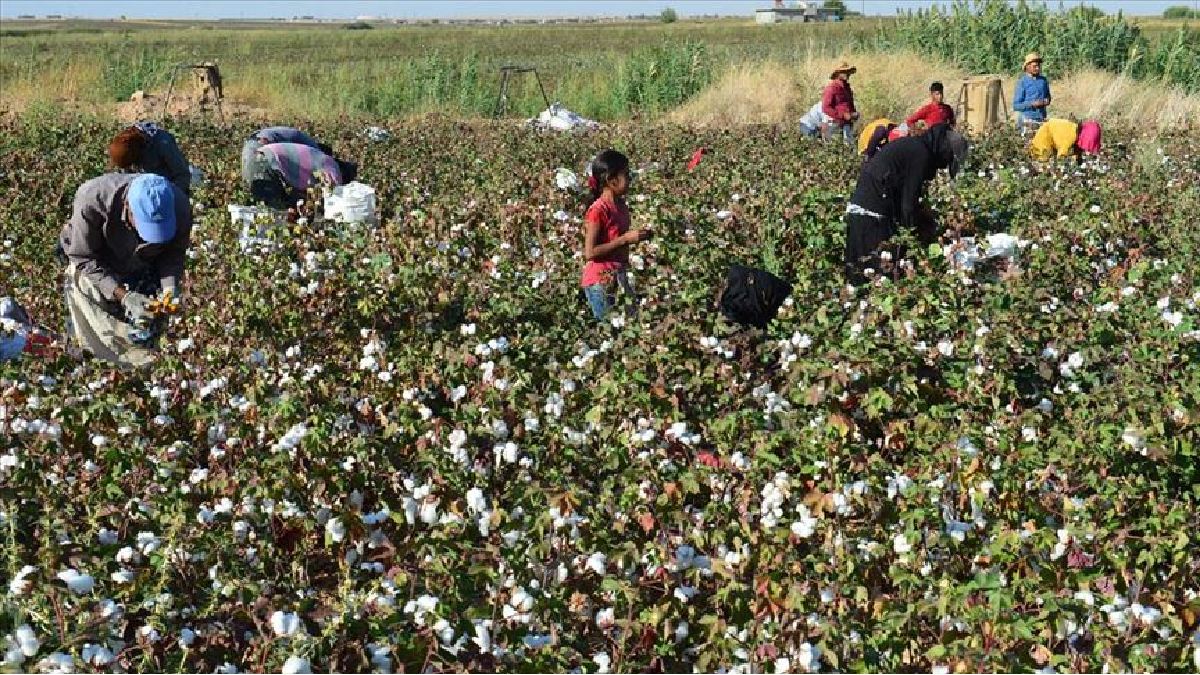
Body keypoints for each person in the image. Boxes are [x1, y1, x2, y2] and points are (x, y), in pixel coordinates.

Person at [59, 173, 192, 367]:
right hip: (94, 261)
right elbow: (83, 258)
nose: (150, 239)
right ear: (128, 207)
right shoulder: (93, 200)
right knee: (90, 307)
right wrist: (124, 296)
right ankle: (91, 356)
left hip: (141, 261)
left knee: (147, 322)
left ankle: (141, 362)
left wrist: (170, 288)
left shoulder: (180, 206)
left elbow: (173, 253)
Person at [843, 124, 969, 284]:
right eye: (946, 161)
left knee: (863, 274)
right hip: (872, 213)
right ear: (944, 150)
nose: (942, 166)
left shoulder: (915, 146)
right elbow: (908, 205)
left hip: (864, 207)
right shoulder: (920, 153)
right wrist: (914, 241)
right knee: (877, 276)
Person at [581, 150, 651, 322]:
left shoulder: (620, 205)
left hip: (617, 276)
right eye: (626, 174)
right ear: (612, 180)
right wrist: (625, 239)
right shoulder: (598, 210)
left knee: (629, 326)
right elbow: (590, 252)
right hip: (600, 282)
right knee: (611, 331)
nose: (630, 179)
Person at [243, 141, 357, 210]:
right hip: (266, 161)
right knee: (272, 211)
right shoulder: (333, 170)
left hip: (258, 157)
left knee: (270, 207)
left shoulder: (323, 160)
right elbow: (331, 200)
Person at [108, 121, 192, 194]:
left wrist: (170, 195)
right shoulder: (123, 143)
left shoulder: (163, 142)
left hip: (168, 193)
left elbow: (182, 175)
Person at [1028, 117, 1102, 161]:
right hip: (1044, 136)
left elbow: (1077, 149)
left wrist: (1078, 157)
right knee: (1042, 158)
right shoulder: (1070, 137)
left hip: (1051, 132)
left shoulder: (1075, 129)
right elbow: (1061, 157)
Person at [1013, 52, 1051, 135]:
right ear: (1027, 67)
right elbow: (1016, 105)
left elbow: (1048, 97)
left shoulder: (1043, 80)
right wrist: (1032, 104)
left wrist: (1046, 101)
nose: (1037, 68)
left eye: (1038, 66)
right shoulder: (1022, 82)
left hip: (1041, 118)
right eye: (1034, 66)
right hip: (1027, 119)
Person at [821, 62, 858, 144]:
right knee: (832, 147)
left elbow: (850, 104)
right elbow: (826, 107)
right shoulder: (831, 88)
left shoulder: (847, 88)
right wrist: (843, 115)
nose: (847, 74)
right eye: (844, 72)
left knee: (848, 146)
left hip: (846, 122)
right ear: (838, 74)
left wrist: (853, 114)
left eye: (848, 72)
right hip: (833, 122)